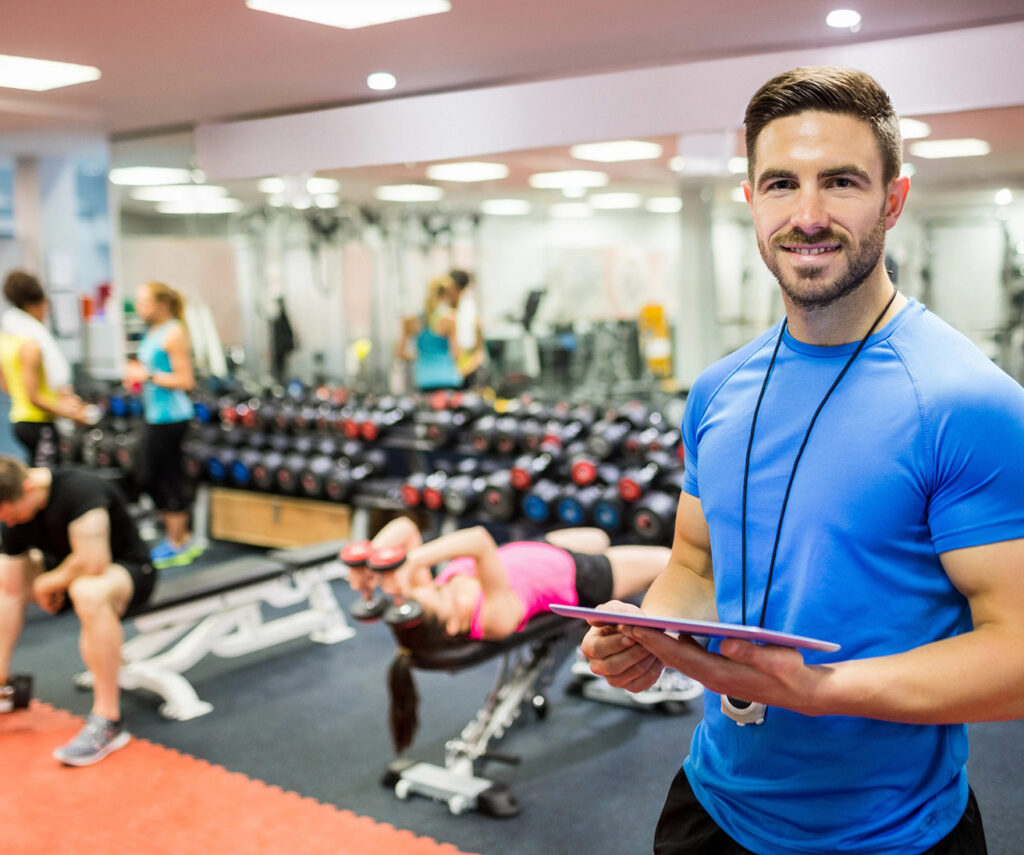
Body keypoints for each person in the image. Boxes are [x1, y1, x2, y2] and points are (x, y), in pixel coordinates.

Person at [580, 66, 1024, 855]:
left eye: (842, 182)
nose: (808, 215)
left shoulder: (967, 401)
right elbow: (696, 561)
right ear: (752, 202)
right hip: (712, 804)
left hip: (892, 834)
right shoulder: (718, 389)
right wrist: (645, 630)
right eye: (782, 183)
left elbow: (1017, 652)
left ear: (893, 198)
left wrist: (821, 691)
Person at [346, 517, 679, 751]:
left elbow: (404, 528)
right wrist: (408, 562)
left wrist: (371, 562)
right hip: (578, 575)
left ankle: (596, 646)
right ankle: (659, 657)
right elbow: (478, 540)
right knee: (669, 562)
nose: (434, 586)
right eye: (439, 596)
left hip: (537, 550)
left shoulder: (432, 594)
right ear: (450, 626)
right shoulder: (492, 619)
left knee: (599, 535)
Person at [0, 455, 156, 765]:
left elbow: (94, 562)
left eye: (13, 515)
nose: (10, 523)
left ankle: (109, 720)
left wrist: (46, 584)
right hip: (67, 574)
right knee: (3, 576)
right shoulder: (13, 513)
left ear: (29, 487)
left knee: (88, 591)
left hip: (127, 571)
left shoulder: (80, 489)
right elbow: (10, 592)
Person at [123, 282, 201, 569]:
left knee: (165, 477)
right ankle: (182, 535)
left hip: (172, 417)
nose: (139, 307)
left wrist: (148, 375)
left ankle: (178, 543)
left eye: (144, 301)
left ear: (162, 304)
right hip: (155, 415)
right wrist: (136, 378)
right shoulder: (153, 332)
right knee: (145, 476)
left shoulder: (174, 331)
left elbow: (185, 381)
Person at [0, 270, 91, 465]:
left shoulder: (5, 340)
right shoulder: (31, 345)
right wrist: (71, 413)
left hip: (19, 419)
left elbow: (6, 386)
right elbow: (34, 397)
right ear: (37, 304)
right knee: (47, 482)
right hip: (38, 422)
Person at [396, 275, 462, 391]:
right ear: (445, 294)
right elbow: (456, 354)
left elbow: (400, 353)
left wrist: (422, 357)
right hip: (448, 378)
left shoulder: (411, 320)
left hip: (424, 379)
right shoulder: (449, 319)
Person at [449, 268, 485, 388]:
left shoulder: (469, 308)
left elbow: (478, 340)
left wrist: (471, 365)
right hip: (447, 368)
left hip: (466, 366)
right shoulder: (443, 310)